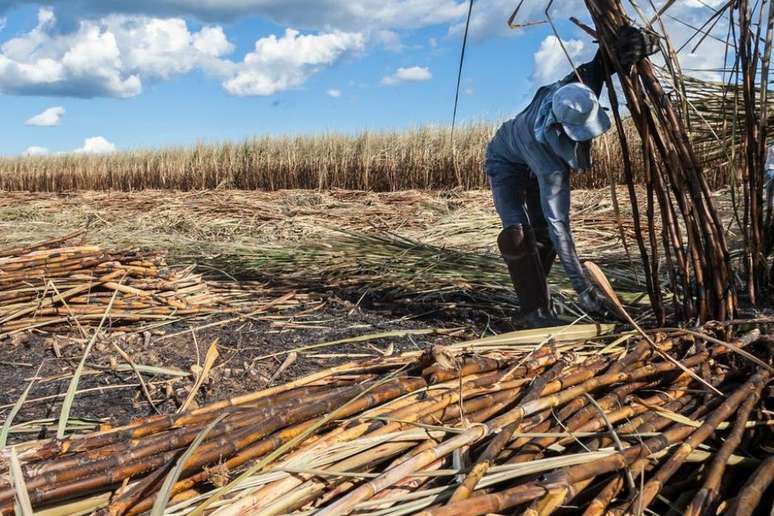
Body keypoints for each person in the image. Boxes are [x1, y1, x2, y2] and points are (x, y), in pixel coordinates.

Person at [486, 26, 659, 328]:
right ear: (558, 130)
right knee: (518, 235)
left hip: (529, 158)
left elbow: (597, 67)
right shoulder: (545, 154)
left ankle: (537, 295)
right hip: (506, 165)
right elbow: (560, 226)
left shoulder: (572, 94)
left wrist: (636, 42)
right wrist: (584, 289)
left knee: (541, 236)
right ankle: (533, 311)